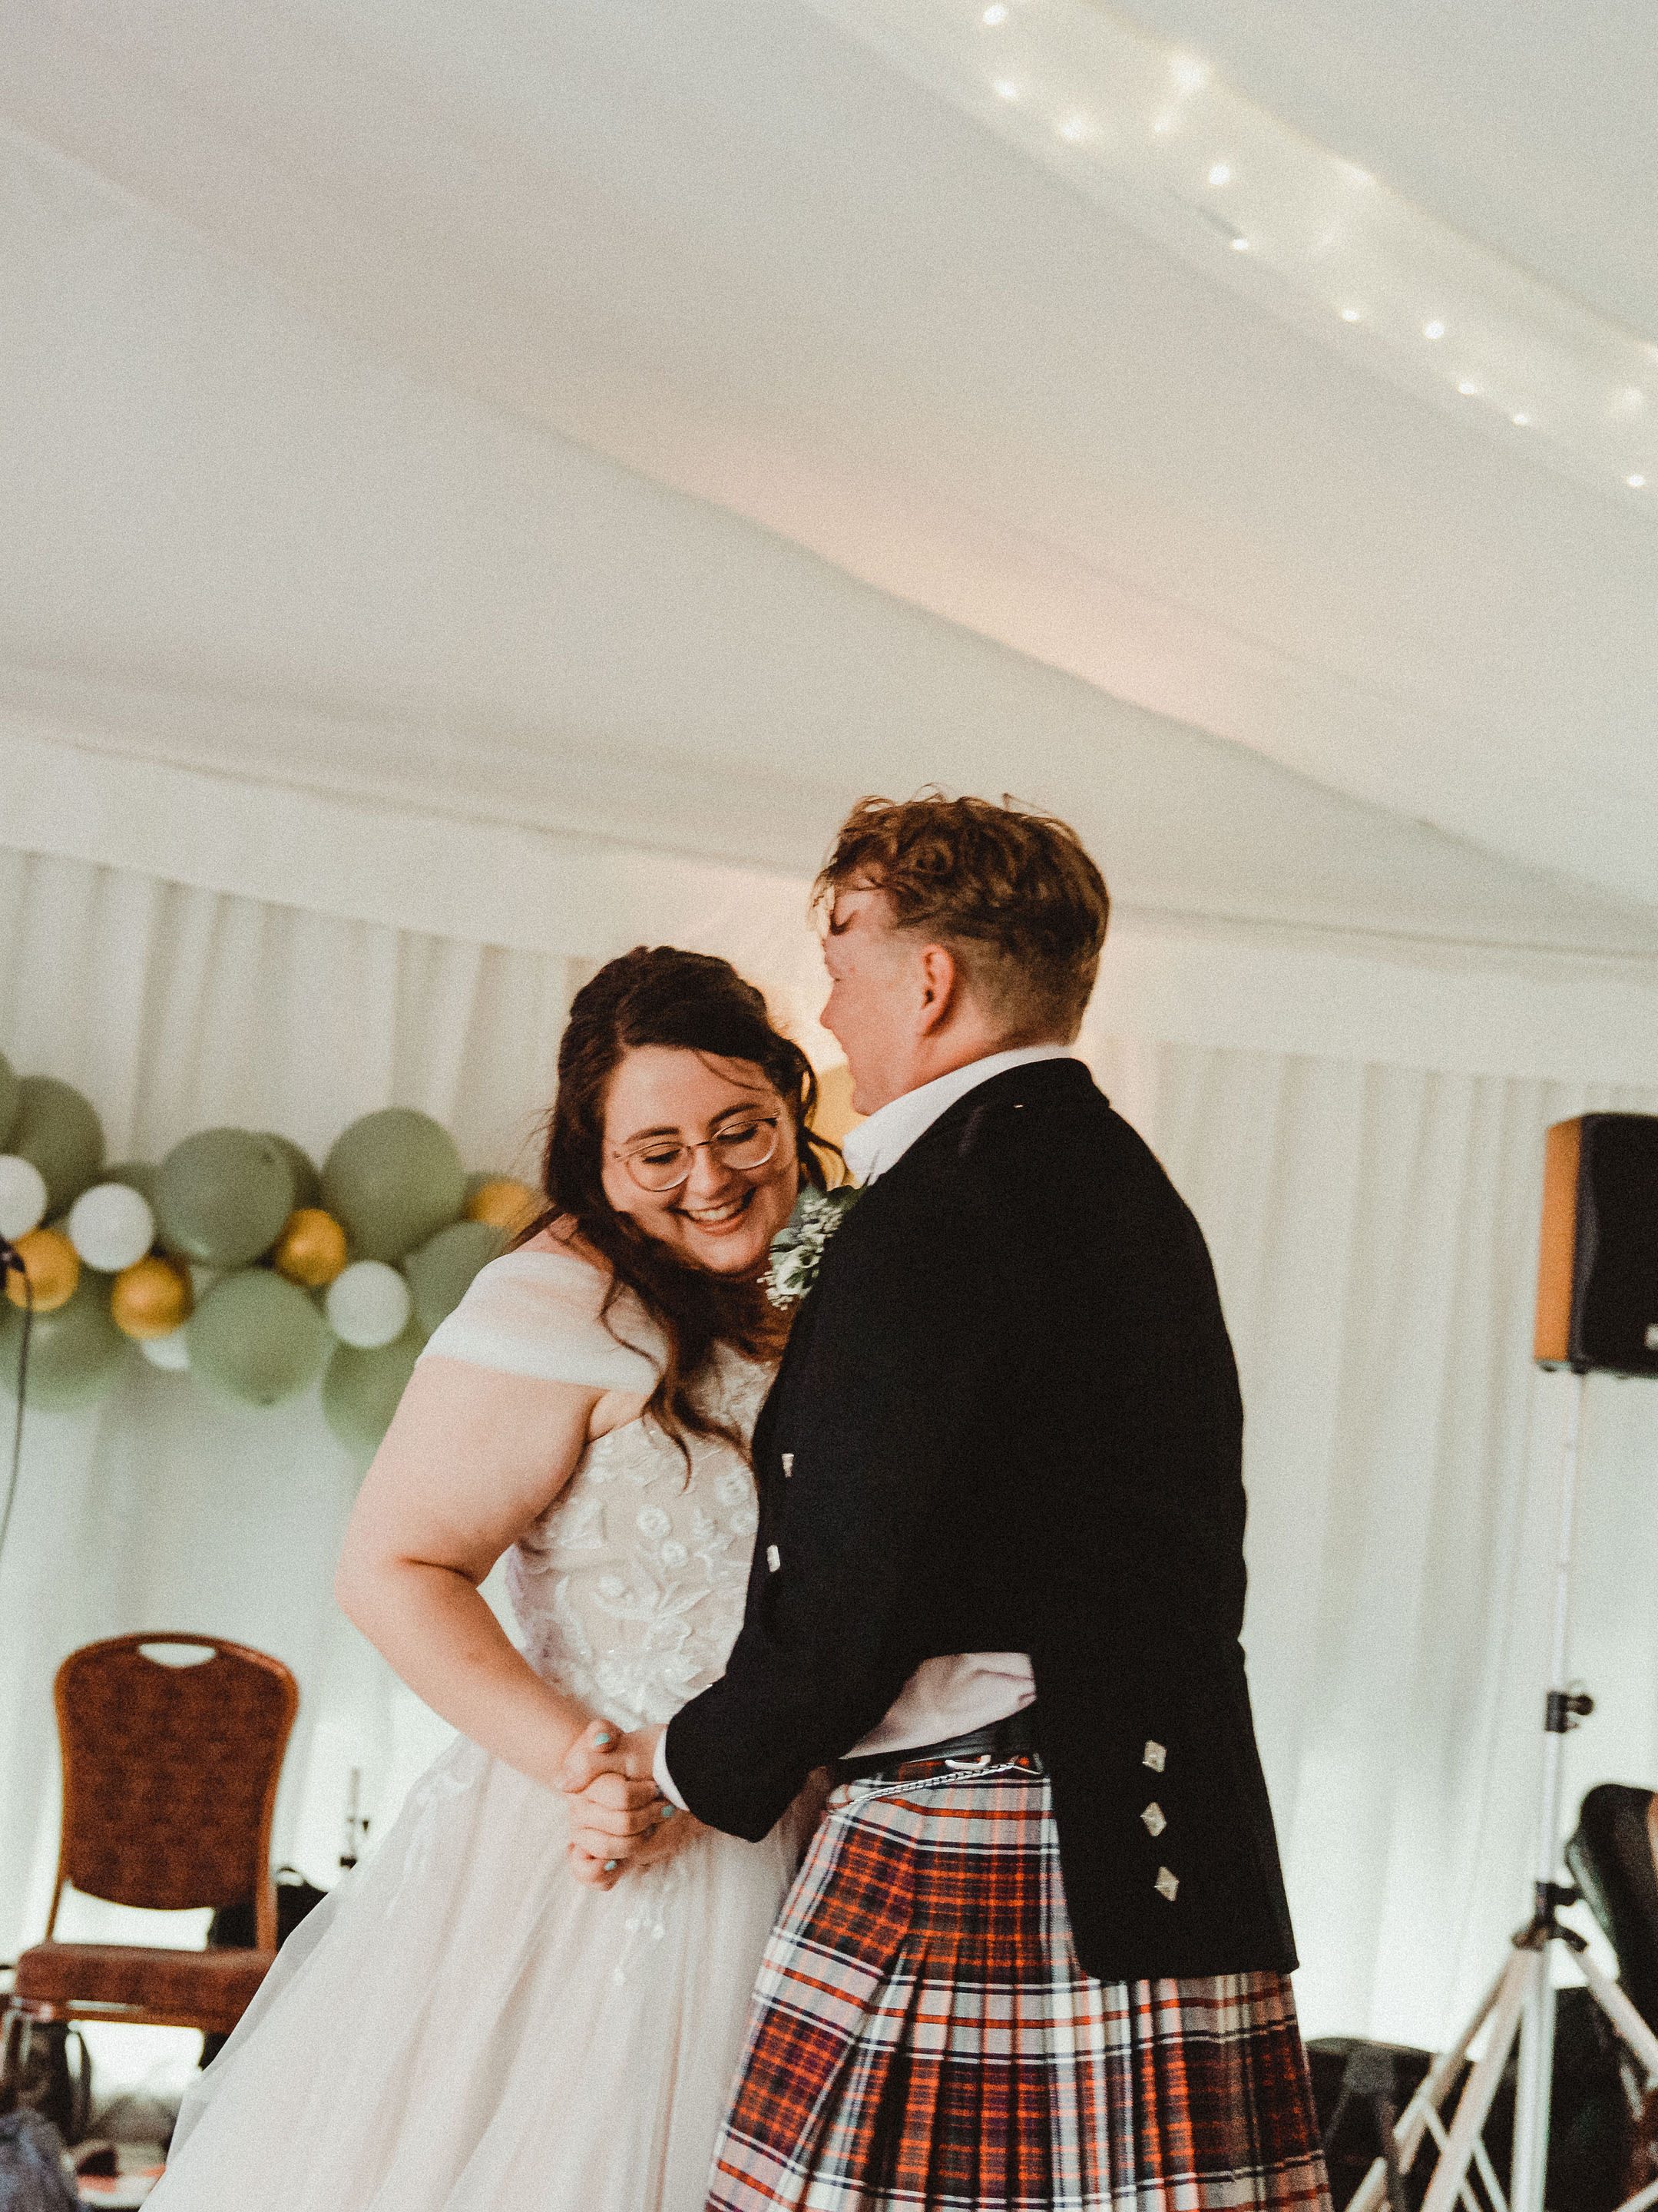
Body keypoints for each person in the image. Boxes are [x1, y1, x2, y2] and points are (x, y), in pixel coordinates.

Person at [562, 796, 1332, 2212]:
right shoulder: (1100, 1172)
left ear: (931, 978)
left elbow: (855, 1581)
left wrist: (680, 1769)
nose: (830, 1003)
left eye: (844, 950)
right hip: (1151, 1817)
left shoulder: (938, 1205)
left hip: (995, 1826)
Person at [151, 947, 836, 2212]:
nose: (712, 1178)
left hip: (816, 1836)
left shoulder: (832, 1268)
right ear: (597, 1155)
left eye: (744, 1131)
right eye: (659, 1152)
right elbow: (392, 1566)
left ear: (794, 1103)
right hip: (602, 1842)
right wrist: (585, 1764)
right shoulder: (557, 1299)